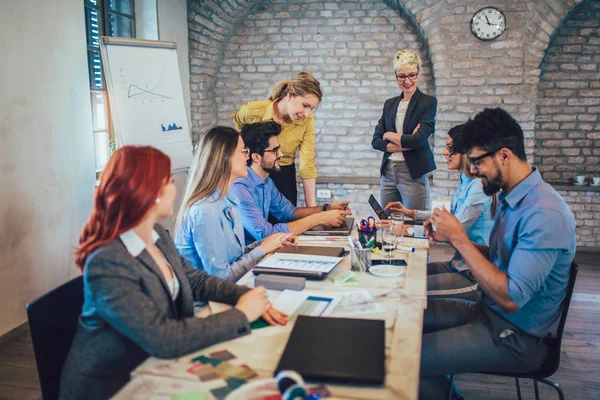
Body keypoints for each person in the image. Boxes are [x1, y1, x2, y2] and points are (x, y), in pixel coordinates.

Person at [59, 146, 287, 400]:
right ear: (149, 192)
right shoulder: (108, 262)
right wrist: (242, 313)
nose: (174, 188)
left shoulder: (155, 235)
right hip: (115, 386)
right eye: (168, 181)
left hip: (155, 365)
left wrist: (246, 295)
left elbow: (195, 279)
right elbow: (165, 338)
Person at [418, 108, 576, 399]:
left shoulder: (545, 212)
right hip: (488, 312)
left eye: (478, 161)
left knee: (403, 360)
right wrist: (451, 237)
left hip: (518, 338)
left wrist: (459, 238)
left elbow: (511, 297)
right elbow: (497, 256)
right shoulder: (511, 195)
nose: (473, 169)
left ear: (505, 155)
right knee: (411, 317)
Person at [385, 124, 496, 302]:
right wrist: (410, 213)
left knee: (406, 292)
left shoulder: (478, 187)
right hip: (458, 264)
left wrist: (405, 230)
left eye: (450, 147)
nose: (444, 152)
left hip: (474, 275)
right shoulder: (466, 180)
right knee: (403, 275)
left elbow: (450, 230)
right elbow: (448, 217)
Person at [175, 126, 297, 282]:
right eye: (243, 151)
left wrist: (270, 242)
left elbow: (234, 257)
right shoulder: (205, 211)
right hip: (206, 303)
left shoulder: (227, 199)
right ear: (224, 158)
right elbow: (220, 277)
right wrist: (262, 249)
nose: (247, 157)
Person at [230, 121, 352, 243]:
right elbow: (266, 233)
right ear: (256, 157)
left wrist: (327, 208)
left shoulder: (266, 182)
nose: (281, 154)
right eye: (275, 150)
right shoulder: (239, 187)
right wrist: (319, 218)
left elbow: (289, 212)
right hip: (247, 257)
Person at [232, 72, 322, 207]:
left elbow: (307, 164)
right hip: (252, 173)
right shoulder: (253, 110)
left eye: (311, 109)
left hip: (283, 175)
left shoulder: (307, 121)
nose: (307, 113)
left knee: (286, 220)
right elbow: (238, 125)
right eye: (305, 105)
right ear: (290, 95)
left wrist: (313, 211)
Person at [371, 49, 437, 212]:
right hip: (388, 171)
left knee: (414, 224)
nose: (407, 81)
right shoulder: (390, 104)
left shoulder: (427, 102)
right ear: (395, 75)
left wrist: (389, 135)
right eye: (402, 76)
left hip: (413, 171)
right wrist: (405, 142)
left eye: (412, 75)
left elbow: (418, 140)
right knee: (388, 221)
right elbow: (376, 141)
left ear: (418, 74)